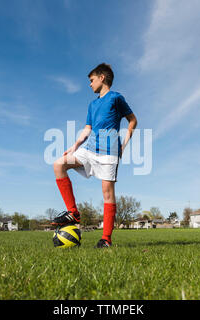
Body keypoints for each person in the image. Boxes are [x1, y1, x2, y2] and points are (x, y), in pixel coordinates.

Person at [52, 63, 138, 248]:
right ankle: (73, 212)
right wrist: (75, 145)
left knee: (107, 193)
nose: (89, 84)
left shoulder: (116, 98)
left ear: (102, 78)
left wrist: (124, 144)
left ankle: (105, 239)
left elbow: (133, 120)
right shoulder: (92, 104)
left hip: (109, 153)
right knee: (59, 164)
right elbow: (87, 129)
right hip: (89, 150)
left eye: (91, 80)